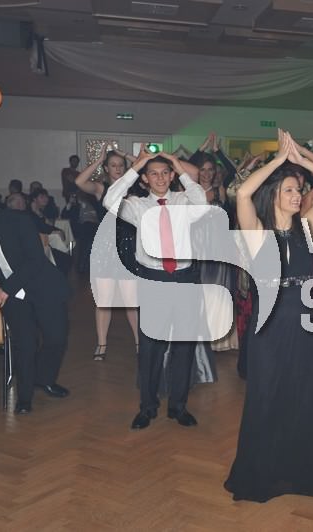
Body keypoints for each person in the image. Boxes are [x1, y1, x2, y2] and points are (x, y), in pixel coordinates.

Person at [224, 129, 313, 502]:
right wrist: (277, 160)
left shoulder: (308, 228)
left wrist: (300, 158)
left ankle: (298, 473)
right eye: (289, 189)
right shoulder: (256, 232)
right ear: (273, 193)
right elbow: (243, 193)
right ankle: (259, 475)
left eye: (299, 190)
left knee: (301, 397)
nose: (297, 195)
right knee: (266, 396)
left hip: (303, 322)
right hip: (269, 326)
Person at [103, 149, 205, 430]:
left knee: (183, 347)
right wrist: (135, 167)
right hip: (153, 280)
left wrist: (178, 164)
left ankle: (178, 406)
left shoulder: (184, 201)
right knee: (150, 348)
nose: (159, 178)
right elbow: (109, 200)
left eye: (164, 173)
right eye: (153, 174)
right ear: (145, 179)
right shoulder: (137, 206)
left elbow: (202, 200)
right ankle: (147, 407)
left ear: (171, 176)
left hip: (184, 279)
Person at [0, 183, 71, 414]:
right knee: (25, 344)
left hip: (42, 286)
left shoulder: (19, 220)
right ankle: (24, 398)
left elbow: (35, 260)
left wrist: (7, 288)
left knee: (56, 338)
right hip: (12, 297)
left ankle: (44, 378)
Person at [75, 146, 140, 361]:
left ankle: (139, 343)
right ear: (106, 168)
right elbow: (79, 182)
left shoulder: (134, 188)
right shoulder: (101, 188)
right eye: (113, 165)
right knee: (104, 301)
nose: (118, 169)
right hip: (106, 248)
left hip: (129, 247)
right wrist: (99, 159)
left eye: (121, 165)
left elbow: (146, 165)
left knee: (131, 301)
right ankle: (101, 345)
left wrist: (125, 154)